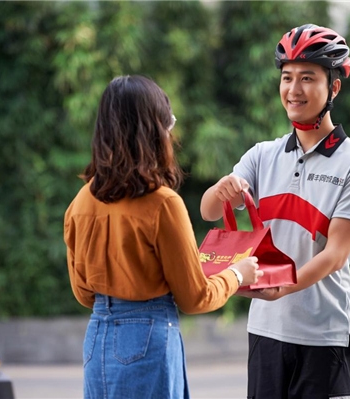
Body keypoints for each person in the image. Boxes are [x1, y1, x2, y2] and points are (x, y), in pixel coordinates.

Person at [200, 24, 350, 399]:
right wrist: (221, 188)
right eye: (287, 77)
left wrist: (283, 288)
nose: (294, 90)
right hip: (265, 333)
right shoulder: (262, 155)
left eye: (307, 78)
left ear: (334, 87)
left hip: (324, 335)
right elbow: (209, 212)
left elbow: (335, 254)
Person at [64, 75, 262, 399]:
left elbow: (84, 293)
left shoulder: (81, 202)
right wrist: (237, 274)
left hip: (97, 336)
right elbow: (194, 298)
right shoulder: (163, 204)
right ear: (155, 132)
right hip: (147, 339)